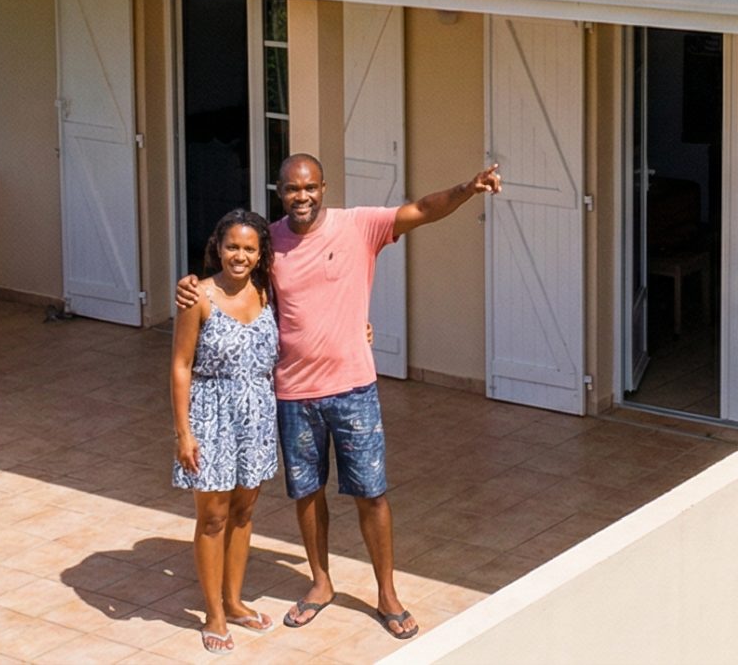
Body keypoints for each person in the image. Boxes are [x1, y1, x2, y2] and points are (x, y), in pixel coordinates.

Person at [178, 151, 501, 642]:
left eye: (309, 187)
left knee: (371, 494)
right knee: (307, 493)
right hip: (292, 393)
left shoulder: (359, 226)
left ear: (323, 188)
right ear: (280, 192)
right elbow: (234, 280)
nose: (301, 196)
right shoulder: (269, 243)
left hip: (353, 388)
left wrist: (467, 188)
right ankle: (320, 582)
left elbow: (421, 209)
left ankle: (387, 594)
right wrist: (190, 285)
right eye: (292, 188)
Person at [170, 208, 281, 653]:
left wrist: (360, 332)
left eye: (249, 248)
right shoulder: (197, 296)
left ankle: (234, 602)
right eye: (232, 246)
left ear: (260, 253)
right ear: (217, 247)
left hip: (257, 417)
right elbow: (181, 366)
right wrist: (184, 433)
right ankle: (214, 613)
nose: (240, 256)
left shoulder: (268, 291)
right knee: (213, 517)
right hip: (211, 416)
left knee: (243, 513)